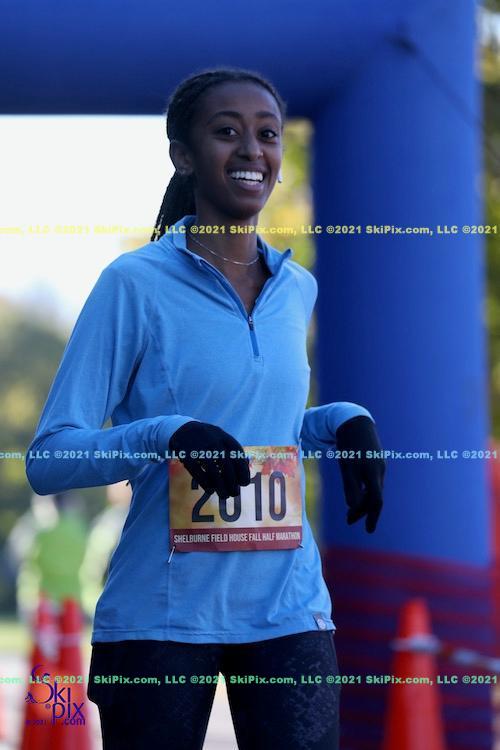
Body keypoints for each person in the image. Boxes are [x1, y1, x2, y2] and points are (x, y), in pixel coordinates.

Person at [25, 66, 386, 750]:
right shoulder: (132, 284)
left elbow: (259, 431)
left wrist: (340, 421)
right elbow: (49, 458)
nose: (252, 150)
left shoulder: (297, 287)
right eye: (227, 132)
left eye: (267, 134)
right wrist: (168, 434)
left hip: (288, 607)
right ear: (184, 156)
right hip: (161, 615)